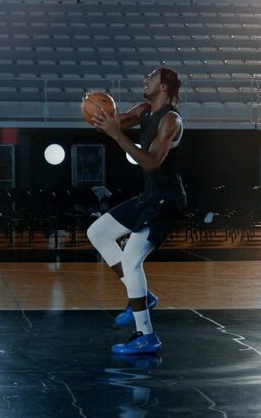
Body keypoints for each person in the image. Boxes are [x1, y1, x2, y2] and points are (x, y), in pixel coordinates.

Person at [86, 67, 186, 355]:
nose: (145, 80)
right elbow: (111, 123)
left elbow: (151, 162)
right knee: (98, 232)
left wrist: (116, 134)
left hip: (167, 200)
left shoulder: (171, 120)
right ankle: (144, 297)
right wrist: (95, 112)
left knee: (131, 262)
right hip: (150, 196)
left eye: (151, 77)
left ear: (163, 85)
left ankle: (146, 335)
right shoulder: (144, 111)